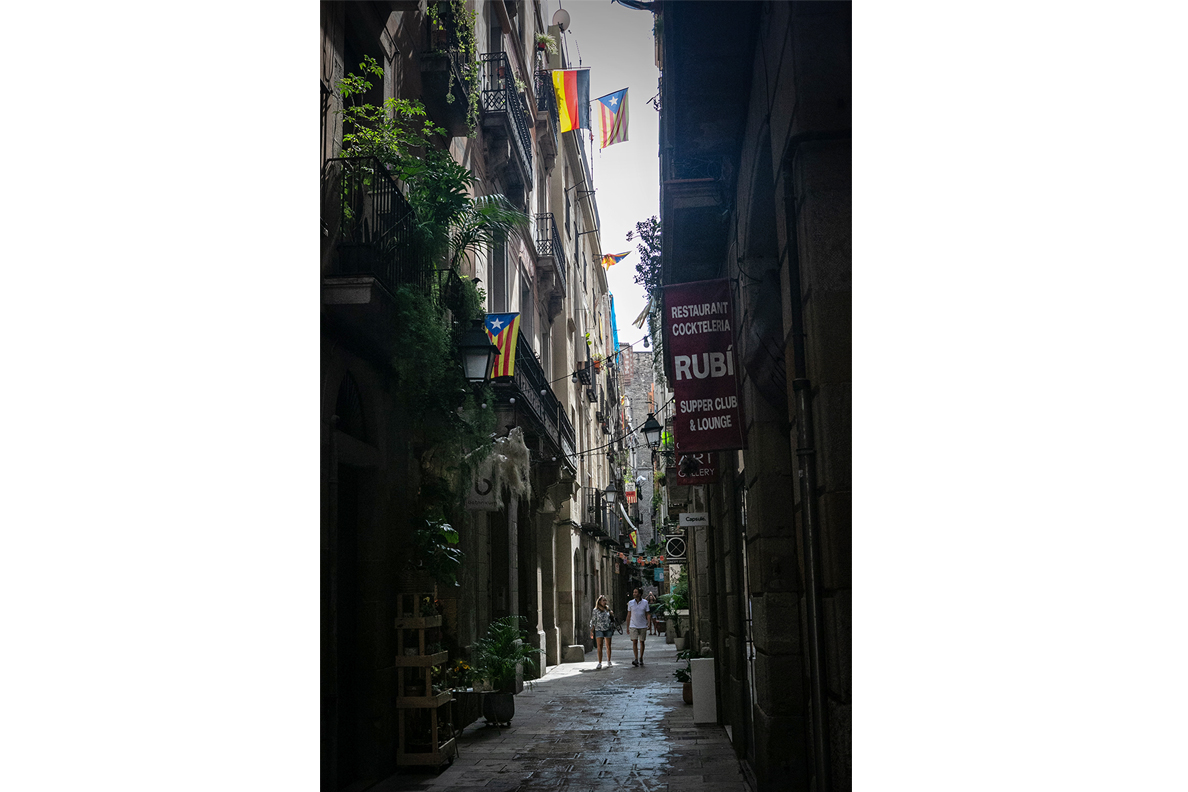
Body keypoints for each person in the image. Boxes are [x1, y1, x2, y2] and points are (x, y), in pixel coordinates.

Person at [625, 588, 652, 666]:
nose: (634, 593)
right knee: (634, 641)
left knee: (642, 641)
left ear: (639, 594)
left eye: (635, 592)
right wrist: (627, 626)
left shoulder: (645, 602)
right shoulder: (630, 603)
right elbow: (629, 615)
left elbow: (647, 614)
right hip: (633, 625)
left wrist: (649, 623)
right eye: (633, 592)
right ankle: (636, 658)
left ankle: (641, 657)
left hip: (643, 625)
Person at [589, 595, 615, 670]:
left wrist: (611, 614)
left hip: (608, 629)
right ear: (599, 601)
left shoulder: (607, 609)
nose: (605, 602)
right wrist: (591, 631)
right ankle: (599, 662)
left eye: (605, 600)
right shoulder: (595, 610)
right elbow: (593, 620)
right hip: (599, 629)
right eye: (603, 600)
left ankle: (609, 661)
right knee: (599, 646)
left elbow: (611, 618)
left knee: (608, 646)